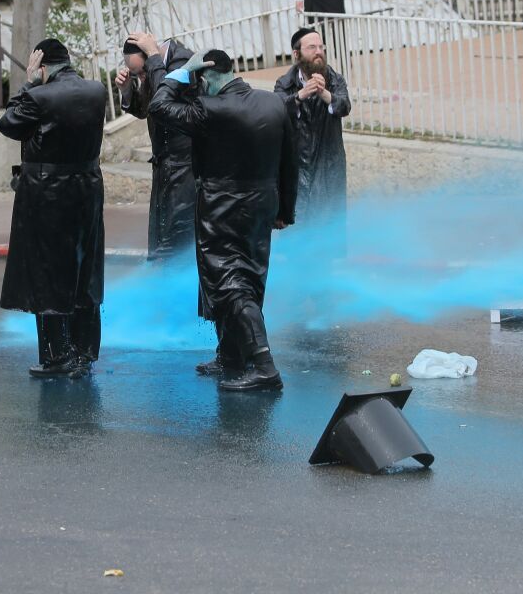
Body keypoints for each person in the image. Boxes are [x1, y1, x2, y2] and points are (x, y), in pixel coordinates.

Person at [148, 49, 298, 392]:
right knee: (250, 276)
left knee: (228, 280)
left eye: (200, 79)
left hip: (222, 204)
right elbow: (291, 162)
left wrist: (183, 70)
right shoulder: (274, 103)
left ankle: (264, 365)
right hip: (262, 203)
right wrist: (284, 210)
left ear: (208, 75)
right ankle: (232, 356)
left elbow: (158, 106)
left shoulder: (210, 108)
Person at [0, 39, 107, 378]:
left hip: (47, 193)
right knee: (84, 270)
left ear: (41, 65)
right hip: (87, 188)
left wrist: (28, 82)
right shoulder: (97, 91)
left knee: (47, 274)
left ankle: (57, 355)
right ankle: (84, 353)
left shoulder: (38, 95)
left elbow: (9, 124)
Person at [116, 31, 196, 260]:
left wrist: (153, 58)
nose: (142, 78)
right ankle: (164, 285)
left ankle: (184, 285)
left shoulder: (183, 61)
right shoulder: (152, 68)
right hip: (164, 163)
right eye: (136, 75)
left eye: (141, 72)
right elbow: (145, 110)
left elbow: (165, 101)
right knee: (162, 238)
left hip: (186, 163)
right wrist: (127, 90)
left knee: (181, 235)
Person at [274, 28, 351, 229]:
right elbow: (276, 111)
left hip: (329, 164)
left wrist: (324, 93)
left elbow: (344, 107)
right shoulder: (285, 83)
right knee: (299, 225)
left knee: (329, 226)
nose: (318, 51)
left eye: (320, 47)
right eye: (311, 47)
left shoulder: (335, 80)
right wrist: (301, 95)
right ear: (297, 54)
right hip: (298, 167)